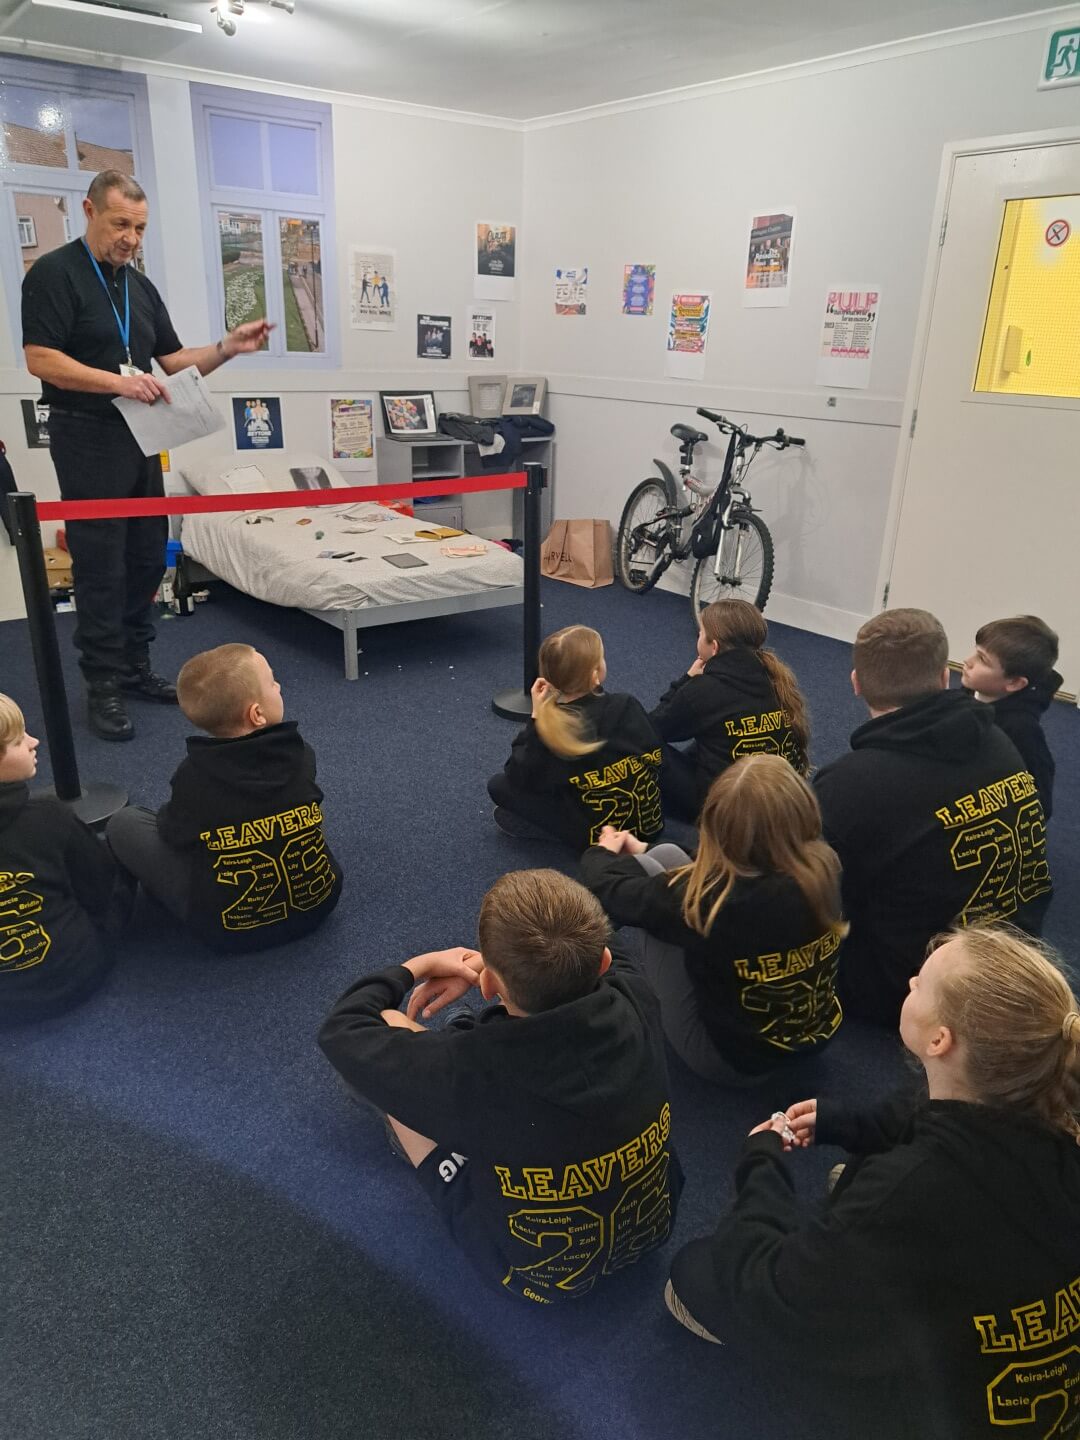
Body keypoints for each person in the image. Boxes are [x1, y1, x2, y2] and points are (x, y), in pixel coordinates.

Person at [664, 926, 1080, 1440]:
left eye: (921, 983)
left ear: (940, 1040)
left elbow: (772, 1290)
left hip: (941, 1408)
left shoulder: (908, 1189)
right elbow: (927, 1115)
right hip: (997, 1325)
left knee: (696, 1270)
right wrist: (842, 1123)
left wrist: (760, 1163)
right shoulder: (1040, 1102)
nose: (910, 982)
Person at [318, 868, 682, 1304]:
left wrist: (420, 966)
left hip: (533, 1279)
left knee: (389, 1028)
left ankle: (440, 1083)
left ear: (488, 985)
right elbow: (602, 924)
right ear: (602, 963)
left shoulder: (468, 1070)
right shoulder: (636, 995)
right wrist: (511, 963)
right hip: (650, 1230)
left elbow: (343, 1028)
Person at [21, 170, 273, 742]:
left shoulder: (139, 285)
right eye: (120, 225)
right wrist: (118, 383)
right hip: (85, 434)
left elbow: (173, 361)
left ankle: (134, 666)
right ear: (89, 211)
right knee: (101, 562)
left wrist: (227, 348)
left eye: (139, 228)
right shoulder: (55, 273)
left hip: (142, 433)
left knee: (145, 555)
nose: (130, 238)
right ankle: (103, 683)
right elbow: (41, 359)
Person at [813, 608, 1052, 1025]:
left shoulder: (849, 784)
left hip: (920, 987)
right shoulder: (1001, 741)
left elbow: (807, 892)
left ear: (856, 683)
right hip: (1016, 957)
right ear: (944, 677)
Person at [580, 754, 845, 1083]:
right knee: (665, 855)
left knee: (651, 886)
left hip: (729, 1062)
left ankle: (570, 968)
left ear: (716, 827)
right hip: (813, 1038)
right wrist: (643, 849)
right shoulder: (826, 866)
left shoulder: (711, 903)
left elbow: (611, 890)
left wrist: (602, 851)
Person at [105, 644, 342, 953]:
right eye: (272, 682)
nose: (279, 686)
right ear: (257, 714)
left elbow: (176, 835)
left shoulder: (193, 776)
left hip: (228, 930)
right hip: (318, 904)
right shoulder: (301, 754)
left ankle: (113, 922)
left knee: (124, 821)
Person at [0, 693, 130, 1023]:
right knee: (121, 864)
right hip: (75, 977)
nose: (34, 742)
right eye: (19, 740)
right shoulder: (48, 817)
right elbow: (100, 888)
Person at [487, 625, 665, 849]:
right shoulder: (627, 703)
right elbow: (656, 754)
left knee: (499, 785)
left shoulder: (556, 727)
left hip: (597, 841)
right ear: (595, 675)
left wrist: (536, 718)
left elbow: (517, 774)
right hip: (650, 826)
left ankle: (551, 832)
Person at [650, 600, 809, 820]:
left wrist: (686, 679)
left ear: (714, 647)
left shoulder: (703, 690)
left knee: (638, 739)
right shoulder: (775, 677)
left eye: (701, 634)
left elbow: (653, 727)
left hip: (725, 806)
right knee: (716, 733)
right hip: (773, 798)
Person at [962, 614, 1061, 820]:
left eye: (982, 659)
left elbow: (1039, 802)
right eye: (975, 651)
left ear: (1015, 683)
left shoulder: (1022, 730)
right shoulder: (968, 693)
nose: (968, 661)